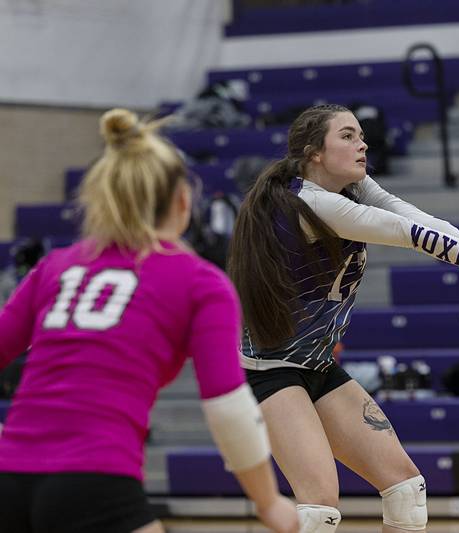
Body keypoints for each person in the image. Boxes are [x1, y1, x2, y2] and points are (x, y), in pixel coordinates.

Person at [227, 104, 459, 533]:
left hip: (317, 366)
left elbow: (420, 219)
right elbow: (407, 235)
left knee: (405, 490)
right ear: (314, 153)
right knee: (320, 507)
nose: (362, 144)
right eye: (347, 136)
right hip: (269, 372)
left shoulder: (353, 189)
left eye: (361, 135)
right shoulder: (311, 203)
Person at [0, 109, 298, 533]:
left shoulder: (55, 267)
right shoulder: (199, 281)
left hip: (8, 480)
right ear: (182, 201)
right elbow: (228, 409)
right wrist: (268, 502)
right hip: (96, 481)